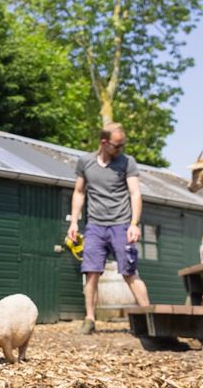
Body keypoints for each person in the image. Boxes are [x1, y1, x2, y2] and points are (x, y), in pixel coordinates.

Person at [65, 123, 151, 334]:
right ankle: (90, 319)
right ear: (104, 143)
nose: (121, 149)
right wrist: (74, 222)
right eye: (117, 145)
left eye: (123, 145)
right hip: (95, 225)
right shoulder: (85, 162)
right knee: (91, 273)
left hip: (121, 224)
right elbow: (79, 192)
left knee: (129, 272)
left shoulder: (127, 162)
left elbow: (135, 194)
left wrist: (134, 224)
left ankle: (149, 317)